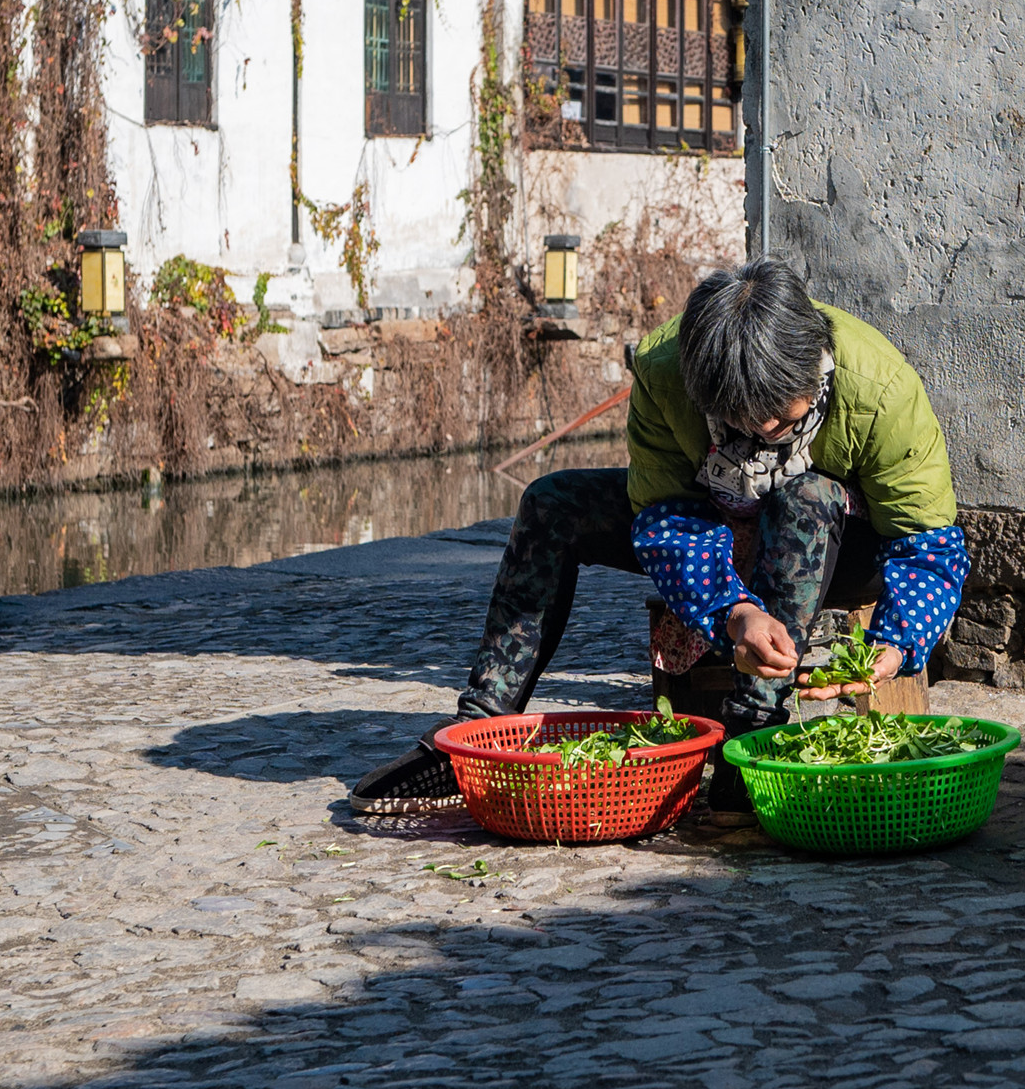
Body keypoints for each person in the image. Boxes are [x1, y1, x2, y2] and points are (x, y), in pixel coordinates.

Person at [349, 255, 970, 811]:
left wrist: (894, 645)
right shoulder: (664, 368)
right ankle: (478, 731)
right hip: (712, 533)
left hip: (833, 546)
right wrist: (733, 613)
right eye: (739, 420)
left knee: (805, 494)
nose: (762, 432)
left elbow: (928, 547)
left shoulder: (880, 389)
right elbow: (665, 512)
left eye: (782, 418)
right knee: (551, 502)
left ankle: (753, 734)